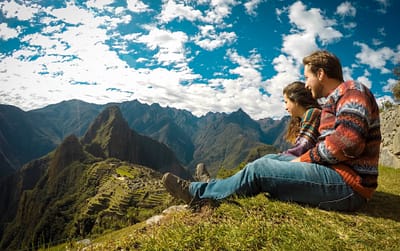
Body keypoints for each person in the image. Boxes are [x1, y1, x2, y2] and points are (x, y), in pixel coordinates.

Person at [163, 50, 381, 211]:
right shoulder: (335, 100)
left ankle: (196, 192)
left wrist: (304, 160)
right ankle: (212, 188)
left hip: (348, 186)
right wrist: (303, 160)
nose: (306, 84)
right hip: (335, 175)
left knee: (260, 169)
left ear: (321, 74)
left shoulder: (352, 91)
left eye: (307, 77)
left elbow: (348, 141)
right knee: (266, 161)